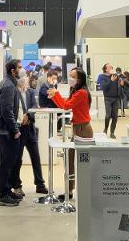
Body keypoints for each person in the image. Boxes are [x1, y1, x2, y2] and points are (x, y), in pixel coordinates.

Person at [48, 68, 93, 199]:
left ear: (80, 79)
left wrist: (56, 94)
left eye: (73, 76)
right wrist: (54, 96)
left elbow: (66, 106)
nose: (70, 78)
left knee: (80, 162)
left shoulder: (82, 93)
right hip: (78, 129)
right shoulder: (76, 91)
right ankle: (69, 191)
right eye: (70, 75)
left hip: (83, 130)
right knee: (70, 160)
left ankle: (80, 191)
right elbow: (65, 105)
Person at [0, 59, 25, 207]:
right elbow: (7, 111)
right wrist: (15, 130)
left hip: (6, 129)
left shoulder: (9, 83)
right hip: (7, 130)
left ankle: (6, 190)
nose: (22, 70)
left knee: (8, 162)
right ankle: (2, 195)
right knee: (7, 163)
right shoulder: (8, 85)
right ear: (13, 71)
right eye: (19, 67)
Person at [11, 71, 47, 195]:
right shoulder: (13, 92)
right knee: (17, 159)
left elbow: (34, 106)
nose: (25, 79)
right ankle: (17, 185)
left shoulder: (30, 92)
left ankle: (40, 184)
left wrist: (28, 115)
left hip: (30, 128)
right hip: (19, 129)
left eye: (25, 77)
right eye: (23, 77)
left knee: (36, 157)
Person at [99, 63, 121, 138]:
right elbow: (103, 87)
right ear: (105, 69)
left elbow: (119, 85)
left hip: (116, 98)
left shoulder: (115, 76)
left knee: (115, 116)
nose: (111, 68)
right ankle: (105, 129)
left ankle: (112, 132)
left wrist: (121, 83)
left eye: (111, 67)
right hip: (108, 98)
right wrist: (111, 81)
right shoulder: (101, 76)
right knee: (108, 115)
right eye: (109, 67)